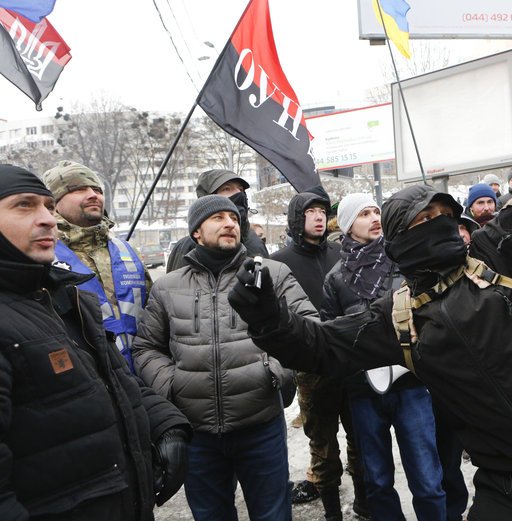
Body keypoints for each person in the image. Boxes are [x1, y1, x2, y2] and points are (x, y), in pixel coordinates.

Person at [226, 24, 512, 520]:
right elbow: (318, 346)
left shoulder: (505, 252)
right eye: (423, 221)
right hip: (505, 492)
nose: (438, 225)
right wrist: (265, 316)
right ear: (398, 243)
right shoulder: (399, 316)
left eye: (444, 216)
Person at [0, 164, 191, 520]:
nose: (47, 219)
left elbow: (111, 379)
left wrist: (166, 424)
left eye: (46, 205)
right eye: (24, 205)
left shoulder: (64, 298)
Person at [132, 195, 315, 521]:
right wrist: (172, 385)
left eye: (233, 218)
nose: (230, 223)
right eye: (217, 217)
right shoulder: (167, 287)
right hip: (197, 433)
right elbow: (146, 348)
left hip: (260, 426)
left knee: (273, 514)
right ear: (196, 232)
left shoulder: (272, 274)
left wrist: (275, 369)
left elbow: (309, 330)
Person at [321, 193, 447, 521]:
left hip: (411, 385)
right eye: (364, 213)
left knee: (428, 480)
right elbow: (332, 337)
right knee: (377, 481)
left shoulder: (404, 261)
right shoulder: (335, 278)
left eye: (376, 211)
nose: (375, 218)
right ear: (348, 225)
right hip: (363, 392)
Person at [270, 191, 368, 517]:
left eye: (322, 212)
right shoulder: (279, 262)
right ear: (297, 219)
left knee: (361, 439)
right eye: (310, 211)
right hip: (311, 368)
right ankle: (331, 513)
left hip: (350, 361)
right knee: (323, 448)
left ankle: (364, 505)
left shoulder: (342, 254)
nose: (318, 217)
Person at [42, 160, 151, 372]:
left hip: (143, 378)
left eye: (97, 189)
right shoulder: (44, 254)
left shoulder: (126, 250)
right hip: (88, 381)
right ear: (54, 202)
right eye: (79, 189)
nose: (93, 195)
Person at [166, 169, 269, 272]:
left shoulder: (255, 242)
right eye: (227, 189)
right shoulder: (187, 247)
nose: (238, 194)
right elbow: (175, 286)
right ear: (208, 198)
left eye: (241, 189)